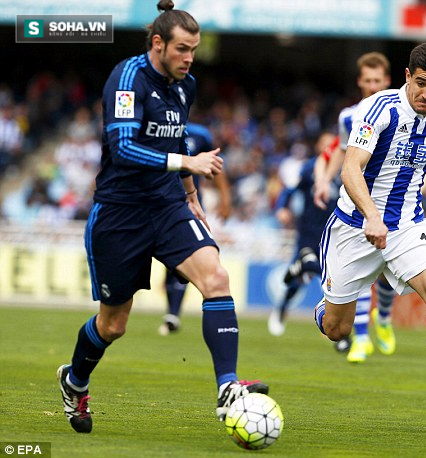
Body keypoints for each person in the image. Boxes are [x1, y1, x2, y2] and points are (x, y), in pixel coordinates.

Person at [56, 0, 267, 434]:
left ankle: (228, 386)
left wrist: (190, 195)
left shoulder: (184, 85)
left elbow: (181, 144)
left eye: (194, 50)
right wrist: (187, 167)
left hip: (168, 205)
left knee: (216, 278)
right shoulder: (127, 78)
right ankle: (74, 381)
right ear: (158, 43)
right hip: (120, 214)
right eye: (183, 49)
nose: (190, 59)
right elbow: (123, 148)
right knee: (113, 324)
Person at [314, 41, 426, 430]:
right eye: (421, 83)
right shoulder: (377, 109)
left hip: (409, 226)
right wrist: (372, 216)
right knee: (337, 329)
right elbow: (350, 169)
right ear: (406, 77)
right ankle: (324, 308)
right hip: (354, 227)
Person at [314, 52, 397, 363]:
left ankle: (384, 318)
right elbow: (343, 150)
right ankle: (361, 337)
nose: (373, 86)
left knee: (389, 274)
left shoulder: (401, 111)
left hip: (394, 203)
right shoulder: (349, 116)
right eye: (368, 81)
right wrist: (323, 179)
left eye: (379, 81)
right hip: (359, 204)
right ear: (360, 82)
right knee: (358, 272)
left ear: (387, 81)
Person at [159, 121, 232, 336]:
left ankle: (173, 313)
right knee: (170, 262)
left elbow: (215, 165)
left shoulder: (200, 134)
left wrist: (225, 199)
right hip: (154, 203)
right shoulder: (151, 126)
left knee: (190, 257)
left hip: (188, 204)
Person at [267, 132, 339, 336]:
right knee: (302, 280)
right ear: (318, 146)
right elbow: (289, 191)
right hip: (308, 231)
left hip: (332, 232)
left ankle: (338, 328)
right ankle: (281, 308)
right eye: (324, 144)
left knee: (328, 278)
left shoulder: (343, 169)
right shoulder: (309, 169)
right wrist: (282, 208)